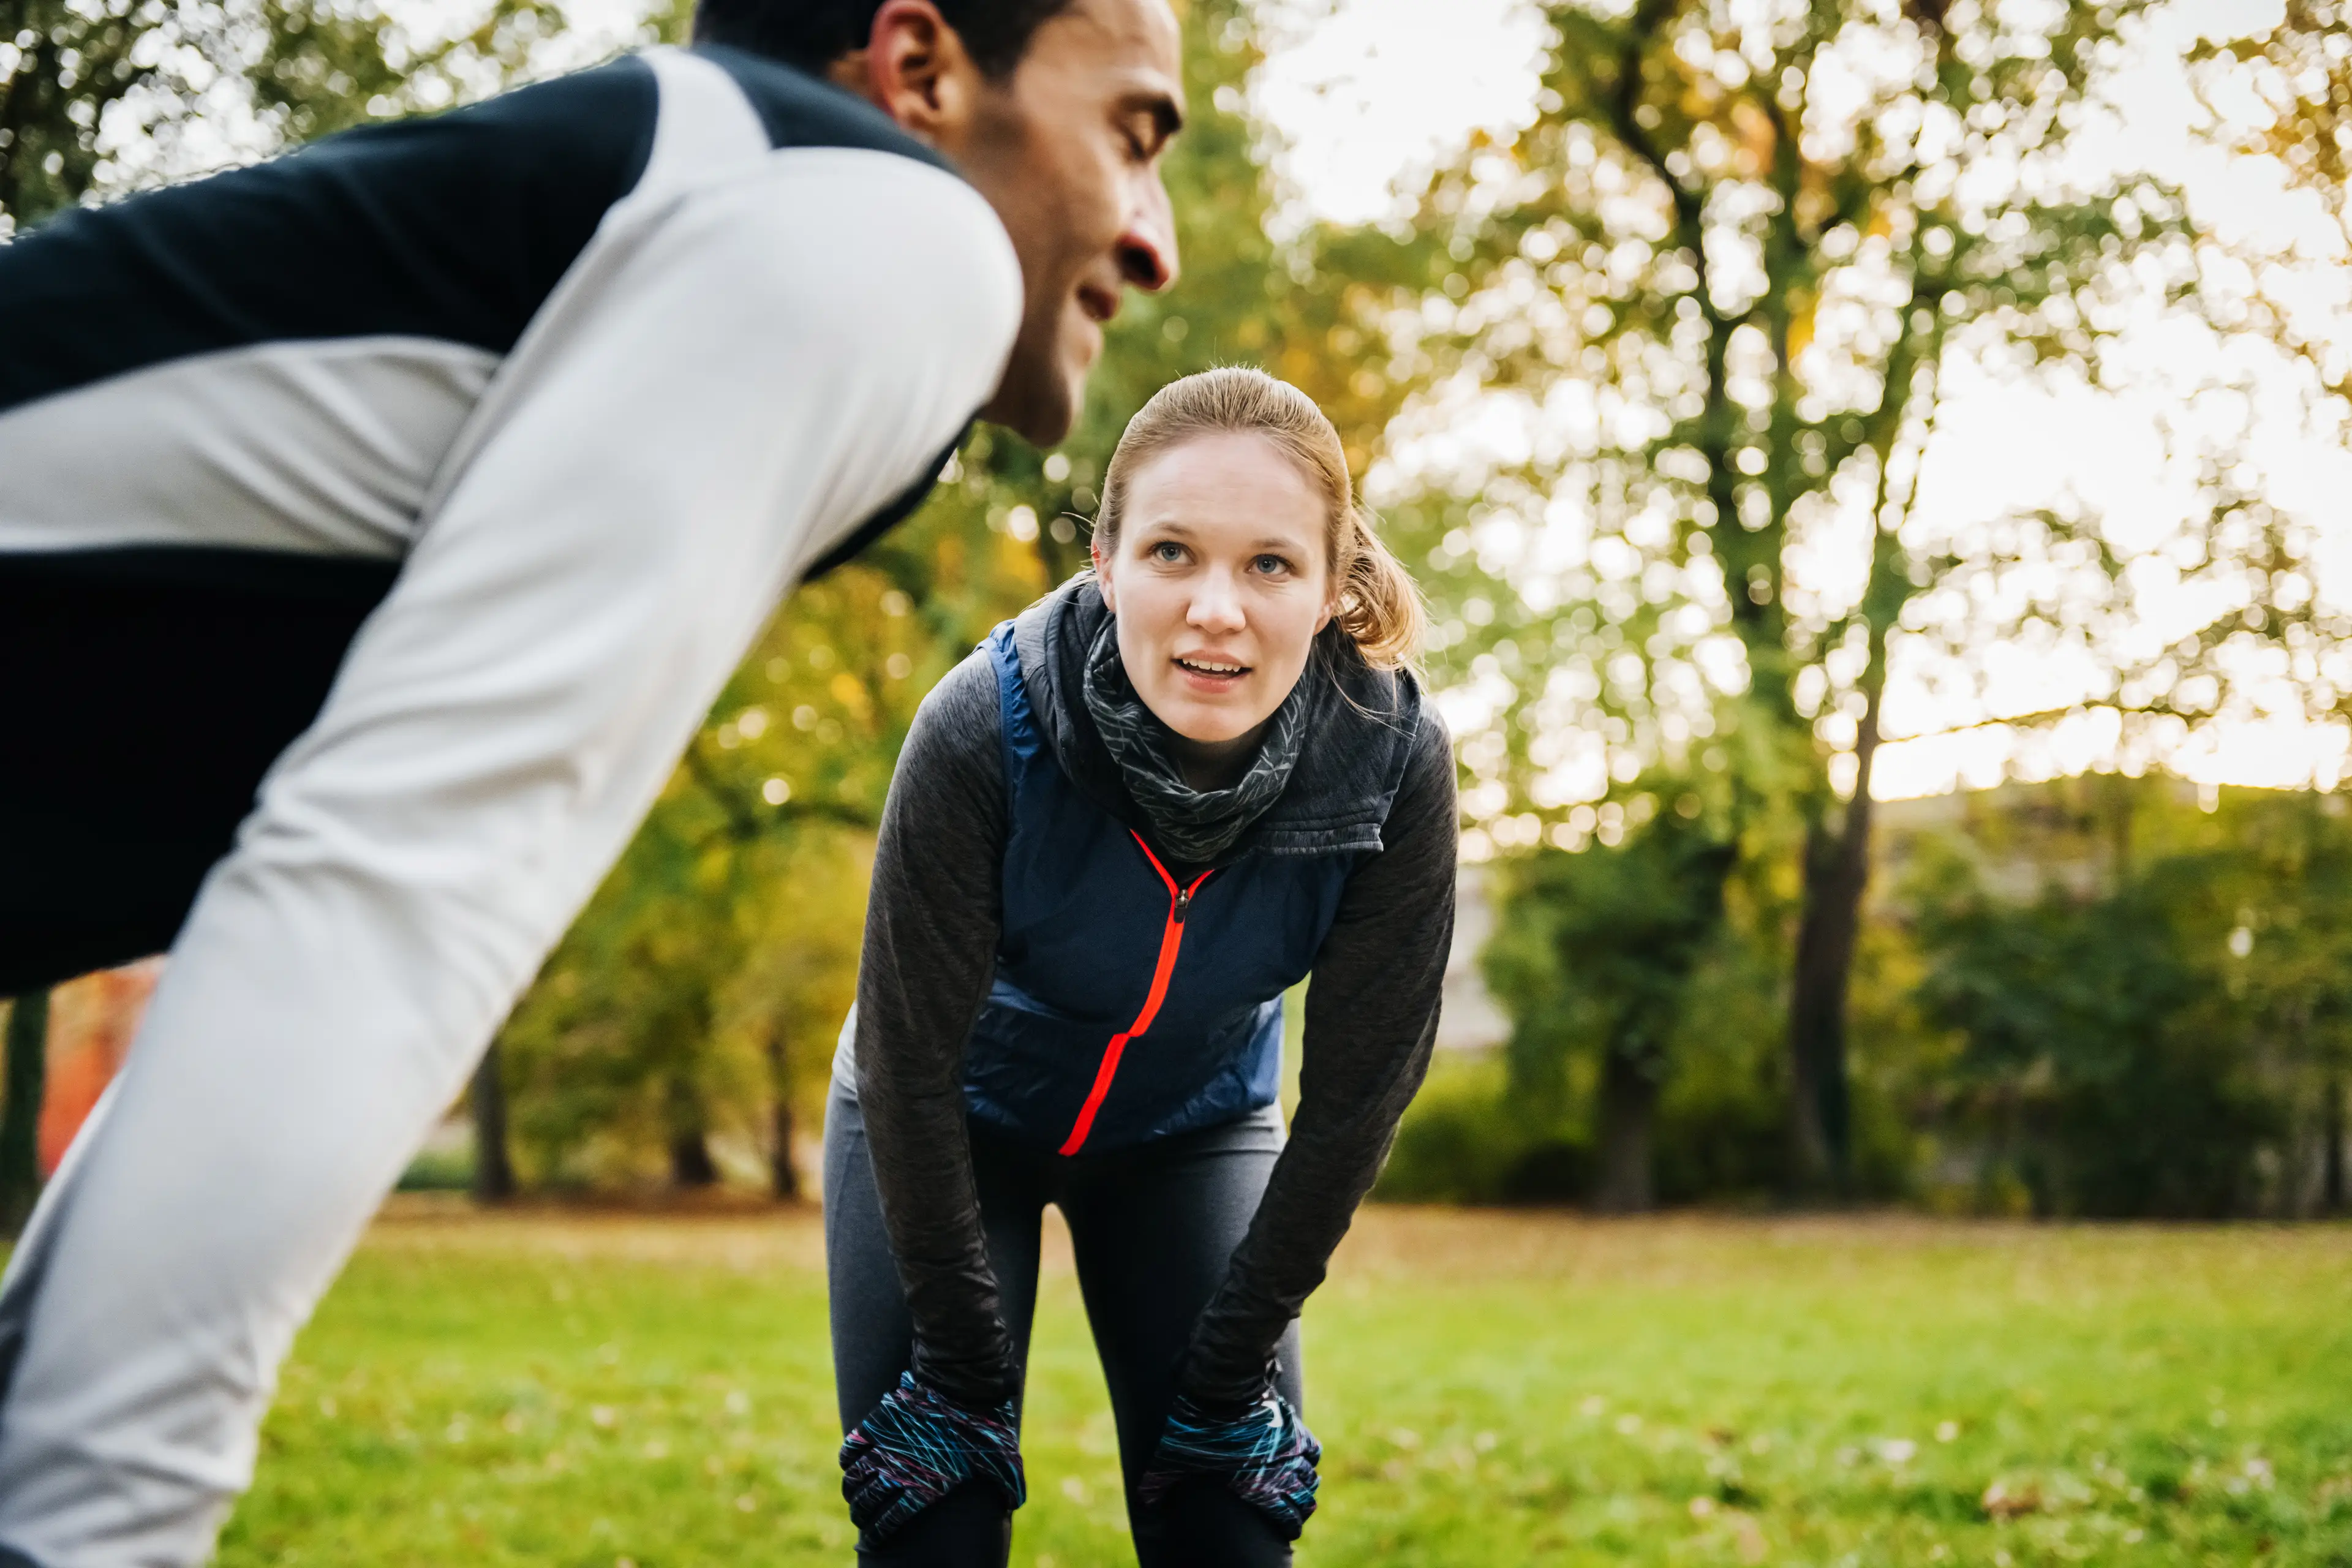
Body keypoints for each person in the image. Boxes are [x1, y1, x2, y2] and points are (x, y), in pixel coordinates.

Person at [0, 1, 1185, 1562]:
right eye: (1134, 133)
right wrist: (84, 1524)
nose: (1157, 240)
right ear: (921, 73)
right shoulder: (894, 230)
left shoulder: (699, 194)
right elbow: (406, 867)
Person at [824, 367, 1458, 1566]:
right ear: (1107, 563)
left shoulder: (1391, 761)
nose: (1217, 607)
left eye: (1270, 563)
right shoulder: (981, 727)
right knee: (937, 1523)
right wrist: (961, 1375)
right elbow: (908, 1065)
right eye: (1174, 552)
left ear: (1330, 589)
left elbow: (1357, 1100)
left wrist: (1225, 1380)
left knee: (1228, 1521)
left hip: (1192, 1133)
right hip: (946, 1122)